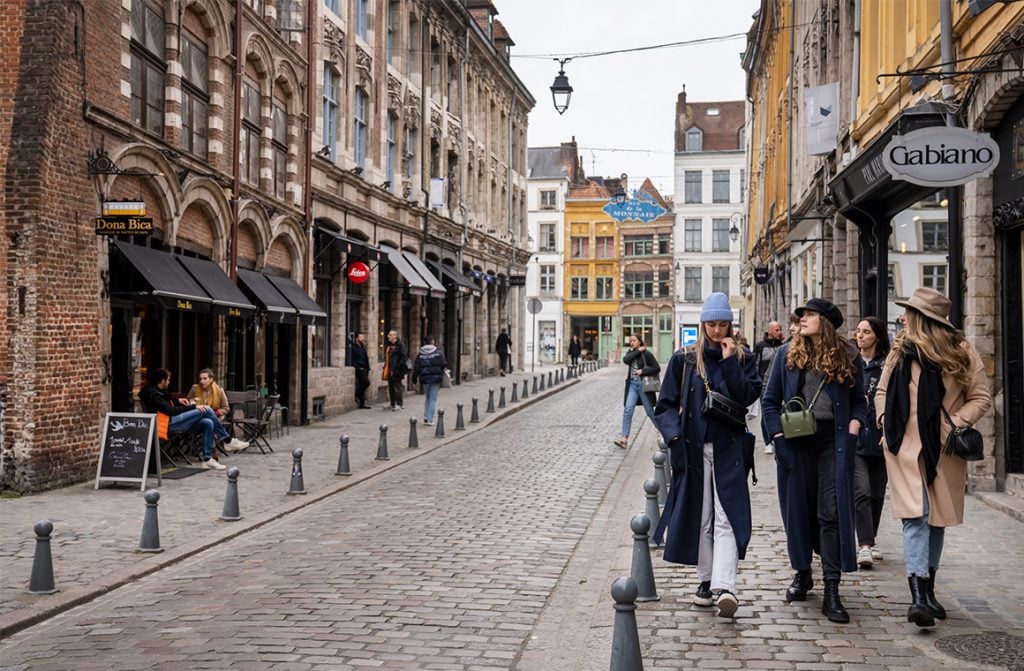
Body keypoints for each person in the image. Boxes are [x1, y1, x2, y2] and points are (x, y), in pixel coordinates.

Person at [875, 288, 992, 628]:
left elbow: (980, 397)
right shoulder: (900, 351)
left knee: (936, 518)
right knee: (916, 517)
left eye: (910, 313)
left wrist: (954, 422)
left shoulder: (960, 351)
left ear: (923, 319)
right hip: (904, 445)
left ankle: (928, 590)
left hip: (942, 448)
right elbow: (882, 391)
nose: (905, 318)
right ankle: (917, 597)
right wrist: (884, 419)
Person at [653, 293, 761, 618]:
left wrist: (729, 363)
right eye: (711, 324)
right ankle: (705, 579)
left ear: (731, 323)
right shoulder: (684, 359)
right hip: (694, 450)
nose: (717, 330)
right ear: (702, 324)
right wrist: (673, 437)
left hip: (730, 449)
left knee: (727, 515)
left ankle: (725, 586)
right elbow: (665, 405)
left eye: (722, 323)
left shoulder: (743, 358)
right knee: (702, 518)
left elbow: (746, 397)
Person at [762, 298, 866, 624]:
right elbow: (768, 401)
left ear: (825, 321)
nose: (802, 319)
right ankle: (803, 572)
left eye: (809, 315)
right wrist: (777, 439)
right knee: (800, 509)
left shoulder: (848, 356)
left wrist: (852, 431)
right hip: (796, 442)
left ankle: (832, 588)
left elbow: (859, 403)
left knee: (830, 512)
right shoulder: (787, 355)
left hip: (833, 442)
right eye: (802, 315)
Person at [140, 368, 236, 469]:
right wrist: (193, 407)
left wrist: (177, 399)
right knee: (206, 410)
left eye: (205, 378)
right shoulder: (153, 395)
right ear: (162, 380)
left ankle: (207, 459)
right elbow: (170, 410)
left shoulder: (156, 391)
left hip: (173, 421)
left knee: (208, 423)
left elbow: (166, 396)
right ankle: (227, 440)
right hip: (167, 424)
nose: (169, 382)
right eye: (168, 379)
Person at [853, 317, 890, 568]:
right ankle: (864, 545)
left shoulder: (887, 365)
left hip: (880, 439)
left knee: (877, 495)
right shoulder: (851, 362)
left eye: (866, 332)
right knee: (862, 492)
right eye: (858, 331)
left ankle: (871, 540)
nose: (860, 336)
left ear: (876, 335)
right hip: (856, 439)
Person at [615, 333, 660, 449]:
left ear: (640, 341)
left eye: (634, 340)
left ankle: (663, 430)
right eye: (630, 341)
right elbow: (626, 360)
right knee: (628, 409)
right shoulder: (632, 353)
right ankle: (624, 438)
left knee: (650, 412)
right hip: (632, 385)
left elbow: (657, 368)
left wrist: (642, 371)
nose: (631, 343)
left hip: (643, 385)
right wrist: (638, 351)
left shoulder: (647, 354)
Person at [186, 368, 248, 452]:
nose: (202, 381)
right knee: (209, 421)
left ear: (211, 379)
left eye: (205, 379)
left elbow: (226, 408)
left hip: (216, 416)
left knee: (209, 421)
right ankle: (224, 442)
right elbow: (188, 403)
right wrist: (192, 403)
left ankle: (209, 453)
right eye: (200, 379)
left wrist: (216, 413)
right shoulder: (195, 388)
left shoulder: (219, 390)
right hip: (198, 416)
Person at [412, 335, 449, 425]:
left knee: (427, 397)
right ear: (433, 342)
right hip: (435, 379)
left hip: (424, 378)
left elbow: (416, 367)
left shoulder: (420, 354)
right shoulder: (438, 353)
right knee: (433, 398)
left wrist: (414, 379)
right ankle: (430, 419)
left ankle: (426, 415)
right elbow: (444, 364)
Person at [382, 330, 408, 411]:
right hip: (389, 369)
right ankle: (392, 403)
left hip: (397, 369)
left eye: (390, 335)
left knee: (397, 386)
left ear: (395, 336)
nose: (388, 336)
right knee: (391, 387)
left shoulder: (400, 345)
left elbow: (403, 357)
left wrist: (397, 367)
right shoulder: (389, 345)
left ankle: (399, 404)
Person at [351, 332, 372, 409]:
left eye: (363, 337)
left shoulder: (363, 347)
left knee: (362, 385)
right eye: (361, 337)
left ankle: (362, 403)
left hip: (365, 368)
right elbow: (352, 360)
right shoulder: (353, 348)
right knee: (366, 383)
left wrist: (368, 368)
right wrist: (358, 367)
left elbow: (366, 358)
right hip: (359, 368)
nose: (362, 339)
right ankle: (357, 394)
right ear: (357, 338)